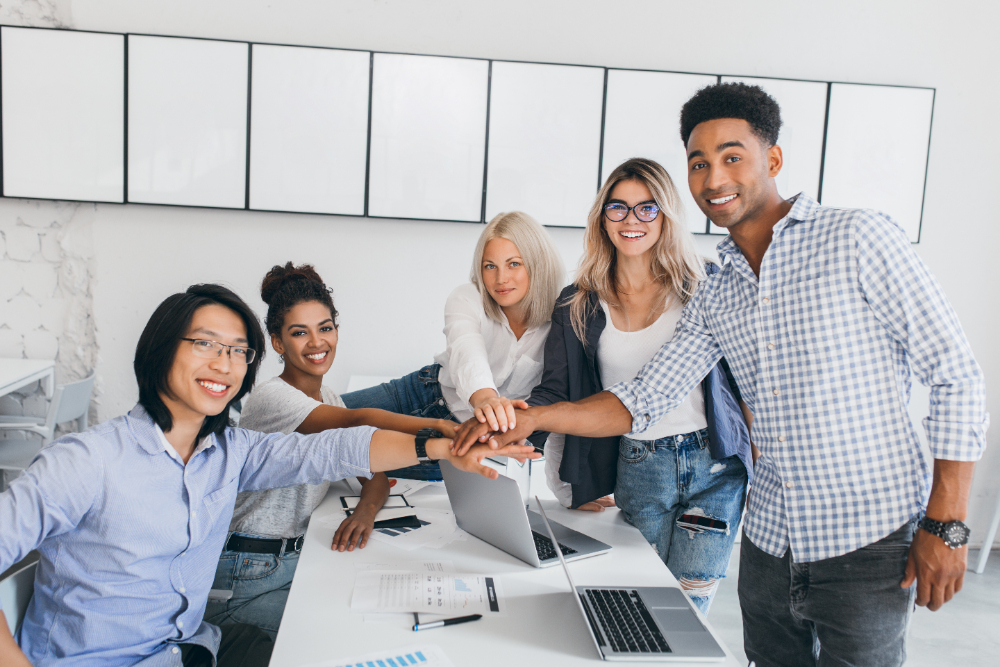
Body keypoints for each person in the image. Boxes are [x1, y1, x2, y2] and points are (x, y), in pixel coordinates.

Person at [455, 82, 987, 666]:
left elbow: (955, 374)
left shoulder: (857, 238)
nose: (714, 179)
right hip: (768, 545)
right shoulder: (720, 288)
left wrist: (948, 522)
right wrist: (523, 420)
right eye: (699, 163)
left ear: (773, 159)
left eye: (732, 157)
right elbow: (641, 398)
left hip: (867, 541)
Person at [0, 284, 538, 667]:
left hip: (190, 651)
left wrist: (444, 445)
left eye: (237, 351)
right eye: (205, 344)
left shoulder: (229, 452)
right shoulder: (86, 461)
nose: (224, 362)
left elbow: (335, 449)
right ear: (161, 350)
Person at [524, 157, 752, 614]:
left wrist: (762, 459)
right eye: (619, 208)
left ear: (666, 215)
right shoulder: (577, 302)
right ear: (601, 216)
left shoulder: (703, 284)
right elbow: (556, 393)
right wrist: (528, 443)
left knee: (689, 607)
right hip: (638, 466)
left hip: (713, 467)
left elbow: (747, 379)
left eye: (647, 208)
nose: (632, 221)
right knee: (639, 601)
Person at [206, 263, 460, 638]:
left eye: (325, 328)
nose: (316, 342)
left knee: (383, 617)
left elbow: (373, 473)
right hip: (249, 568)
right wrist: (439, 426)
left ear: (337, 331)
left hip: (296, 557)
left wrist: (365, 512)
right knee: (345, 634)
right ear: (277, 342)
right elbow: (357, 423)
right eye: (299, 333)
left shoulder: (328, 397)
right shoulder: (270, 397)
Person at [342, 211, 565, 480]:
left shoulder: (561, 321)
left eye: (514, 264)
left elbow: (562, 402)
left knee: (345, 465)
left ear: (538, 264)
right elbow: (466, 351)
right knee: (313, 422)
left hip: (461, 440)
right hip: (419, 394)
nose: (500, 279)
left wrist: (567, 492)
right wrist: (486, 399)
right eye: (490, 266)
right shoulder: (467, 296)